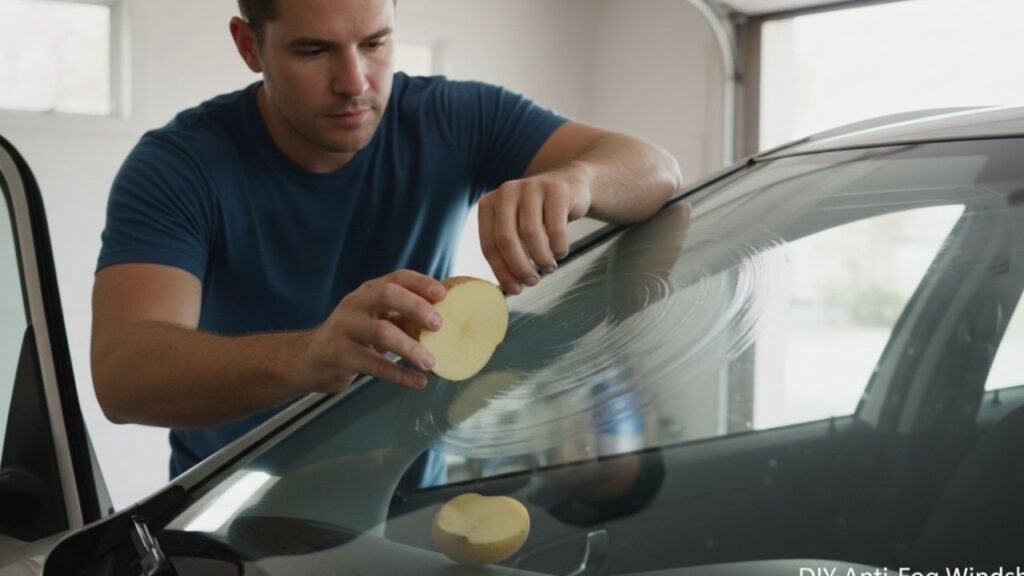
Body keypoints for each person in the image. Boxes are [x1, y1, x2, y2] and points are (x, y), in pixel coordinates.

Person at [90, 0, 683, 479]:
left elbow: (655, 169)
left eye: (375, 44)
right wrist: (309, 356)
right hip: (222, 519)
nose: (355, 82)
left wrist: (574, 181)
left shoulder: (453, 117)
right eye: (313, 50)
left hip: (405, 507)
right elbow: (123, 376)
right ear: (250, 46)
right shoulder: (177, 165)